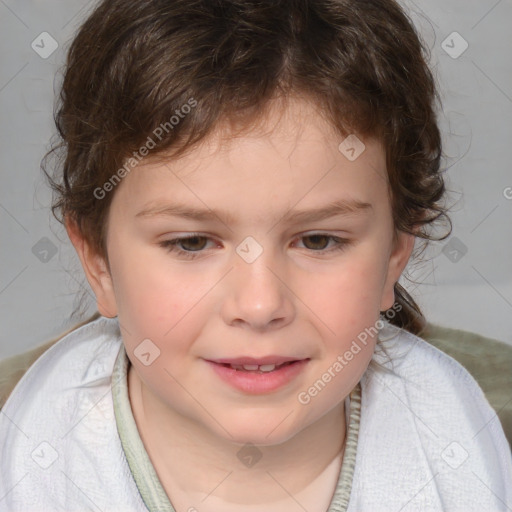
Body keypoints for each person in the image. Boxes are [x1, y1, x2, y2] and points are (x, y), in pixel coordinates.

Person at [1, 0, 511, 510]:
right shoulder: (28, 458)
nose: (261, 304)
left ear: (396, 252)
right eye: (192, 243)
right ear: (98, 262)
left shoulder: (480, 436)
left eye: (318, 240)